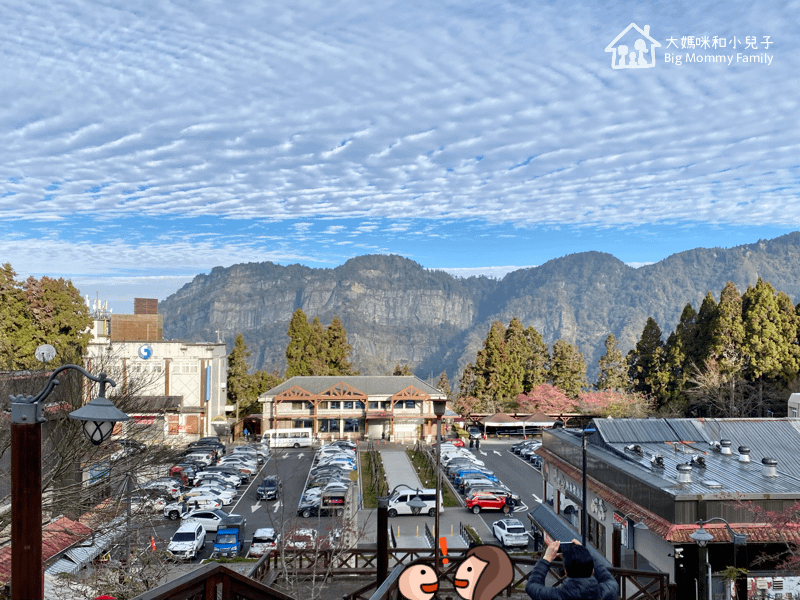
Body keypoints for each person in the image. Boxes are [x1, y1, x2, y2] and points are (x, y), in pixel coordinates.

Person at [526, 538, 619, 600]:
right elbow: (608, 578)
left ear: (566, 572)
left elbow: (531, 586)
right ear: (592, 571)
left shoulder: (556, 596)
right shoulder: (605, 592)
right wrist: (585, 553)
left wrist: (547, 558)